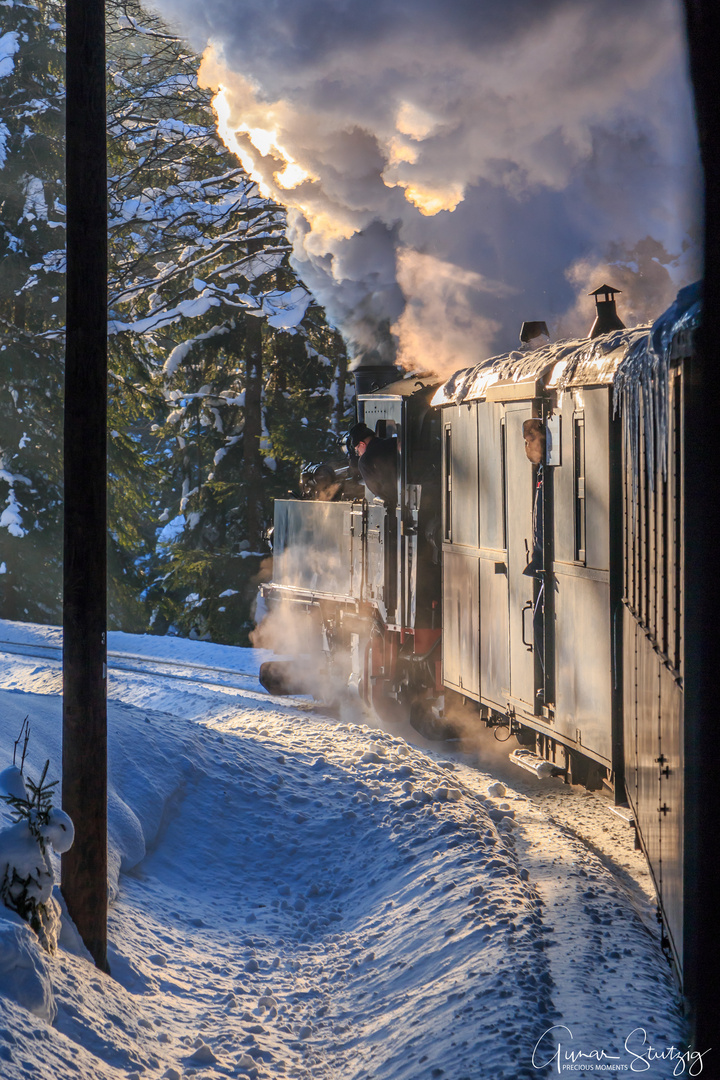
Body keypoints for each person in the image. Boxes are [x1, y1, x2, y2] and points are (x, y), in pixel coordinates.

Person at [348, 422, 398, 504]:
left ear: (362, 444)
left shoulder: (365, 460)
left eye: (357, 451)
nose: (359, 454)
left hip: (395, 501)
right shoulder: (394, 442)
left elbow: (378, 490)